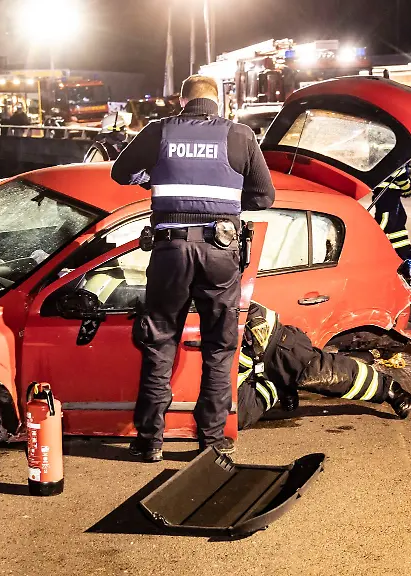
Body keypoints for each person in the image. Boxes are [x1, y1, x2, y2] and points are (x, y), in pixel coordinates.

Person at [111, 75, 275, 462]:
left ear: (181, 101)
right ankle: (211, 442)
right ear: (218, 102)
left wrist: (152, 178)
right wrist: (229, 200)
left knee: (160, 340)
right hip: (220, 251)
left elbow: (120, 173)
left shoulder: (159, 131)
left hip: (170, 251)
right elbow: (264, 195)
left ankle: (150, 440)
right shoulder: (240, 135)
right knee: (219, 346)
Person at [237, 303, 411, 430]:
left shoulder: (217, 268)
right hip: (239, 366)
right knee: (238, 416)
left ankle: (387, 388)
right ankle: (277, 385)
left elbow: (232, 286)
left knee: (318, 372)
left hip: (269, 341)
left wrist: (251, 317)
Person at [372, 163, 411, 267]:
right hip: (387, 192)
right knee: (385, 224)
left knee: (398, 222)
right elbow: (399, 173)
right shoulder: (391, 149)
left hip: (389, 191)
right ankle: (369, 255)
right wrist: (407, 188)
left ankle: (405, 257)